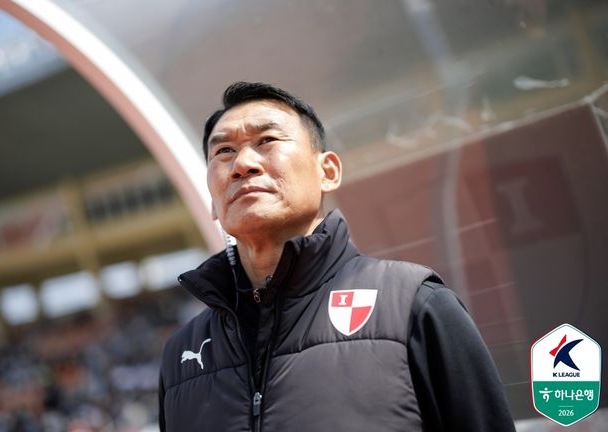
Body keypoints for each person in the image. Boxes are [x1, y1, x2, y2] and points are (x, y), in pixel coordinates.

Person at [159, 82, 515, 431]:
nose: (243, 164)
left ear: (327, 172)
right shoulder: (180, 355)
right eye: (224, 151)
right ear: (213, 202)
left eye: (266, 140)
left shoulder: (414, 303)